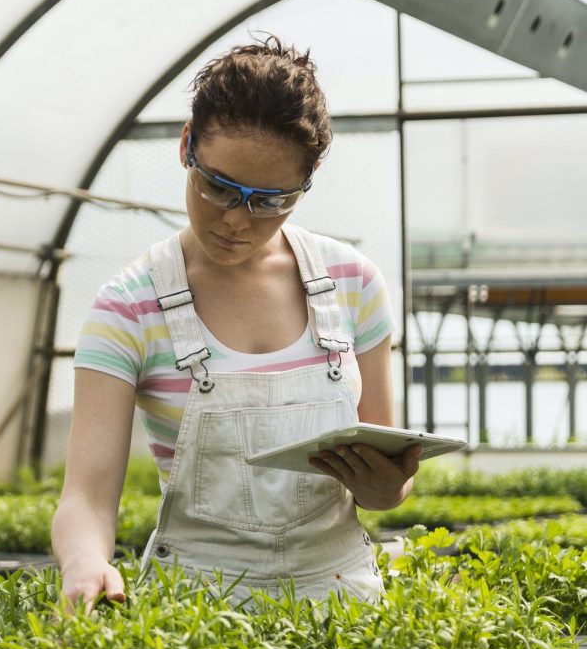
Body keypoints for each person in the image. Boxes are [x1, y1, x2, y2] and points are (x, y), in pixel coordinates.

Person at [51, 35, 420, 611]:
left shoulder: (355, 285)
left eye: (270, 200)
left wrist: (386, 488)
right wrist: (84, 559)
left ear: (310, 176)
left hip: (343, 608)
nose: (236, 220)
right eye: (218, 186)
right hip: (196, 618)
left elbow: (387, 471)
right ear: (186, 147)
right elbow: (88, 497)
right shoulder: (127, 307)